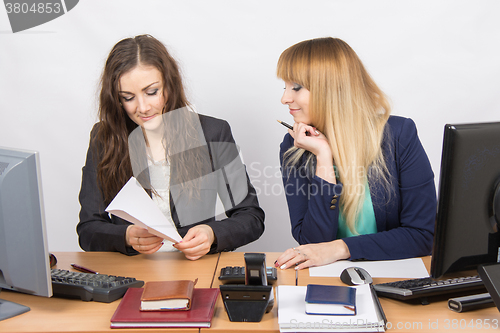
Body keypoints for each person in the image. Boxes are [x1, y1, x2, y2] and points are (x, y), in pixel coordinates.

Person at [77, 34, 265, 260]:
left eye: (152, 92)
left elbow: (250, 216)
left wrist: (212, 234)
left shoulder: (213, 132)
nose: (143, 107)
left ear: (170, 85)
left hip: (194, 269)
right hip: (133, 271)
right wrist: (126, 236)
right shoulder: (103, 137)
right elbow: (88, 229)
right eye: (128, 97)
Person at [274, 37, 436, 270]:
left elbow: (421, 235)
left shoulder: (400, 135)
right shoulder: (294, 148)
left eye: (296, 88)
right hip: (331, 279)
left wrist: (342, 248)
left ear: (331, 89)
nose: (285, 98)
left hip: (394, 276)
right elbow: (311, 242)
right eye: (285, 87)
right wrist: (323, 157)